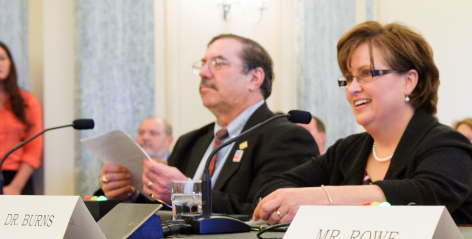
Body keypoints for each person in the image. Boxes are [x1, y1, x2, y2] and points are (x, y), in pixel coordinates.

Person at [254, 21, 472, 225]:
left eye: (366, 73)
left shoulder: (449, 145)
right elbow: (274, 186)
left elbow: (423, 199)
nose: (352, 88)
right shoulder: (347, 151)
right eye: (349, 77)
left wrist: (324, 199)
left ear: (409, 82)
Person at [98, 34, 318, 215]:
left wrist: (187, 194)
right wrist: (130, 195)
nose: (204, 72)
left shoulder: (285, 138)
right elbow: (168, 213)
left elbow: (265, 214)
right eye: (204, 64)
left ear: (254, 78)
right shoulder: (190, 142)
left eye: (219, 63)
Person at [0, 41, 43, 195]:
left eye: (2, 58)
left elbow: (34, 148)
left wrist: (16, 187)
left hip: (17, 180)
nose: (0, 64)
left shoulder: (27, 101)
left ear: (10, 62)